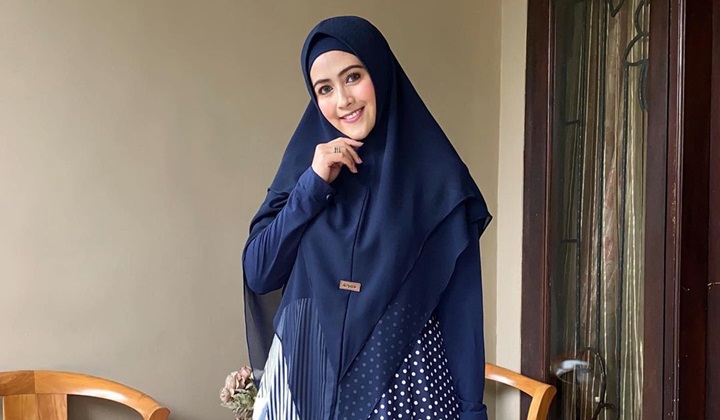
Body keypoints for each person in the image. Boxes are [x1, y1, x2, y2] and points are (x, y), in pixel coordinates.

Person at [243, 16, 491, 420]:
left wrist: (472, 412)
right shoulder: (304, 169)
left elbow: (462, 313)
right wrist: (312, 186)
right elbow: (259, 272)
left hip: (404, 390)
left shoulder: (438, 181)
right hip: (307, 383)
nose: (343, 100)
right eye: (325, 89)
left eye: (353, 77)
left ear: (379, 72)